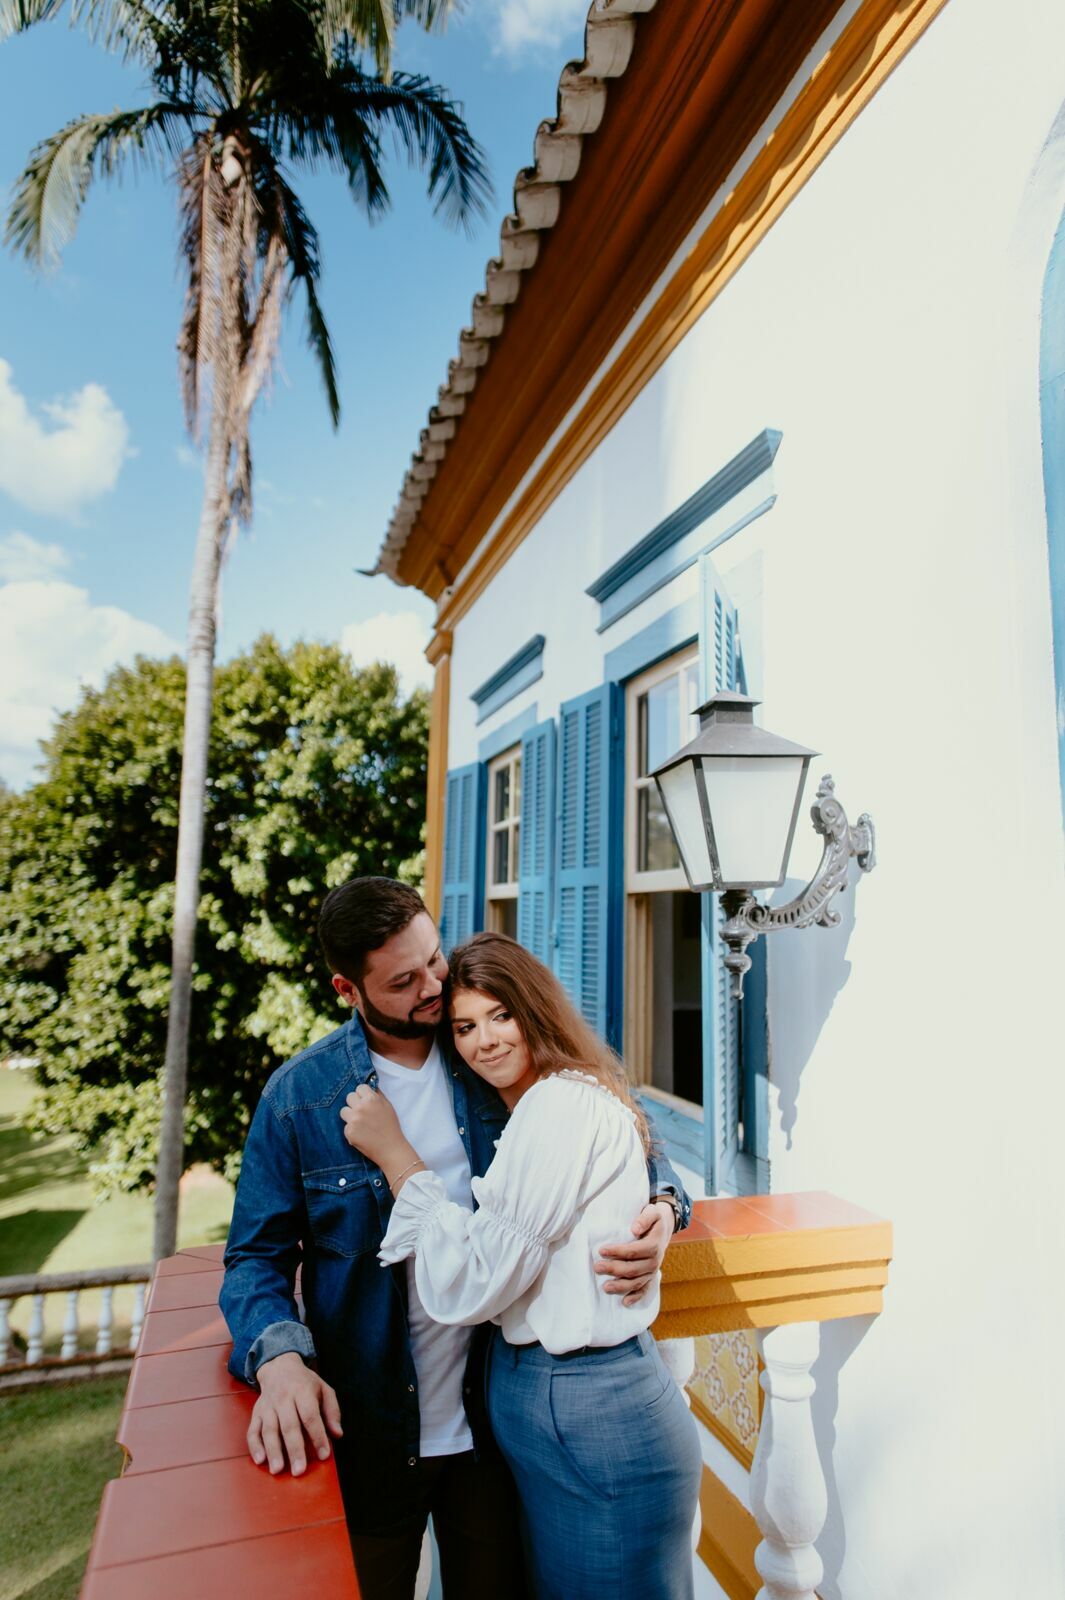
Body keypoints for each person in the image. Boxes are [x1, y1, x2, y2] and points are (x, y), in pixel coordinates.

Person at [220, 877, 692, 1600]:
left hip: (495, 1431)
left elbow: (605, 1123)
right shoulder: (299, 1099)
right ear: (349, 989)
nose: (435, 989)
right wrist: (279, 1357)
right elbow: (254, 1257)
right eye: (404, 981)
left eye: (434, 959)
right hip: (372, 1434)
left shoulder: (488, 1050)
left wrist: (662, 1205)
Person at [341, 931, 703, 1600]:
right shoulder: (533, 1104)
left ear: (534, 1008)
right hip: (540, 1405)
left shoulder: (560, 1104)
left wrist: (398, 1159)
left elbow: (476, 1276)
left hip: (594, 1406)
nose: (485, 1041)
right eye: (465, 1027)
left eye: (501, 1015)